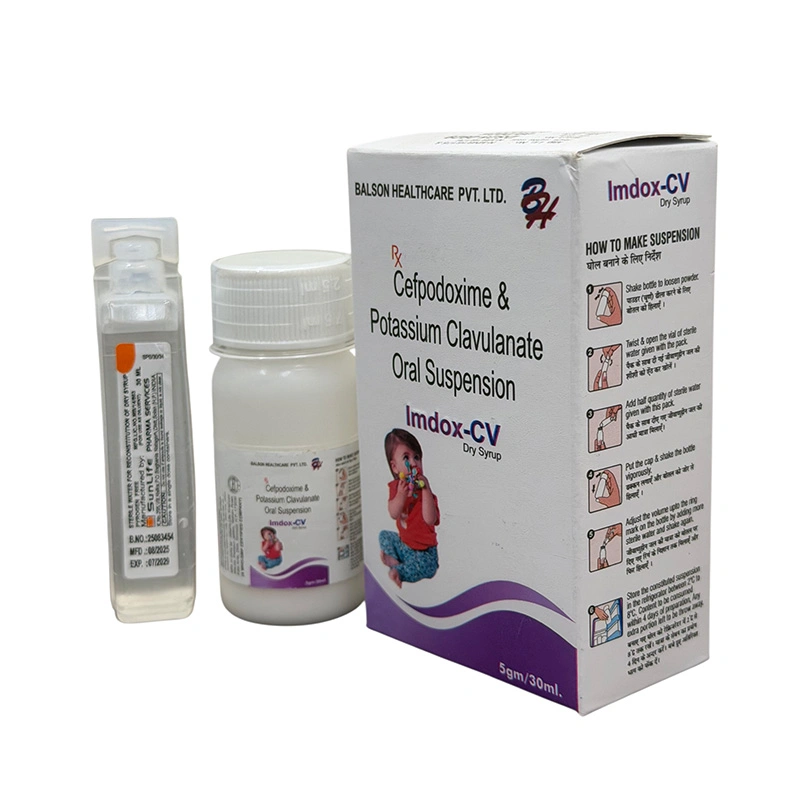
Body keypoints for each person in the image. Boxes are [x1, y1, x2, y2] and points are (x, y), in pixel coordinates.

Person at [379, 428, 440, 588]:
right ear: (395, 467)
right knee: (384, 535)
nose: (413, 463)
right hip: (404, 544)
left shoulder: (427, 495)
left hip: (425, 552)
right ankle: (396, 561)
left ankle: (399, 571)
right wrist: (401, 495)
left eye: (417, 457)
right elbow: (393, 513)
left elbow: (430, 519)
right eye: (406, 457)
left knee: (427, 566)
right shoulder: (397, 487)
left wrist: (426, 489)